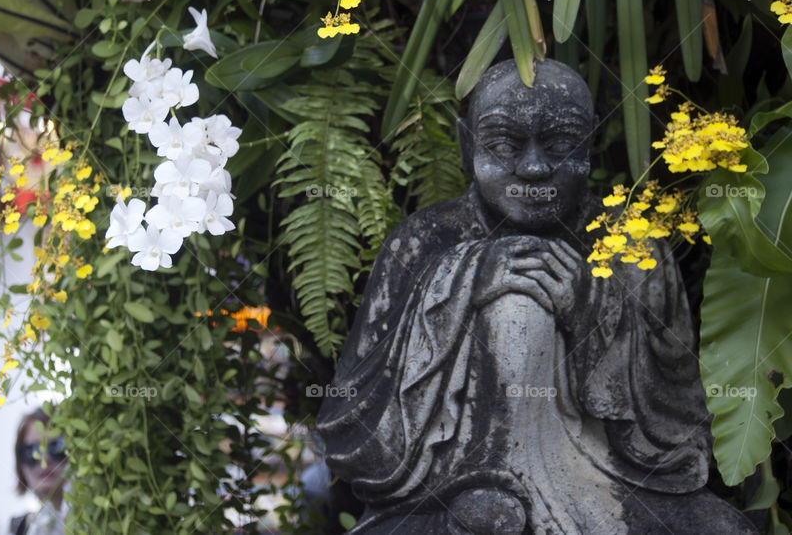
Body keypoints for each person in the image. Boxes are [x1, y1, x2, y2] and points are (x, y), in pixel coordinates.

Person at [317, 59, 756, 533]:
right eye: (504, 145)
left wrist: (592, 308)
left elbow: (677, 413)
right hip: (451, 491)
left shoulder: (631, 245)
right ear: (467, 145)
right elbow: (355, 422)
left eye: (561, 144)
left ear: (590, 142)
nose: (533, 167)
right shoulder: (423, 242)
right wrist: (458, 284)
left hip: (613, 484)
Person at [0, 407, 68, 535]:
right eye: (31, 451)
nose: (44, 460)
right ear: (20, 464)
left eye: (56, 448)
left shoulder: (100, 522)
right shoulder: (7, 530)